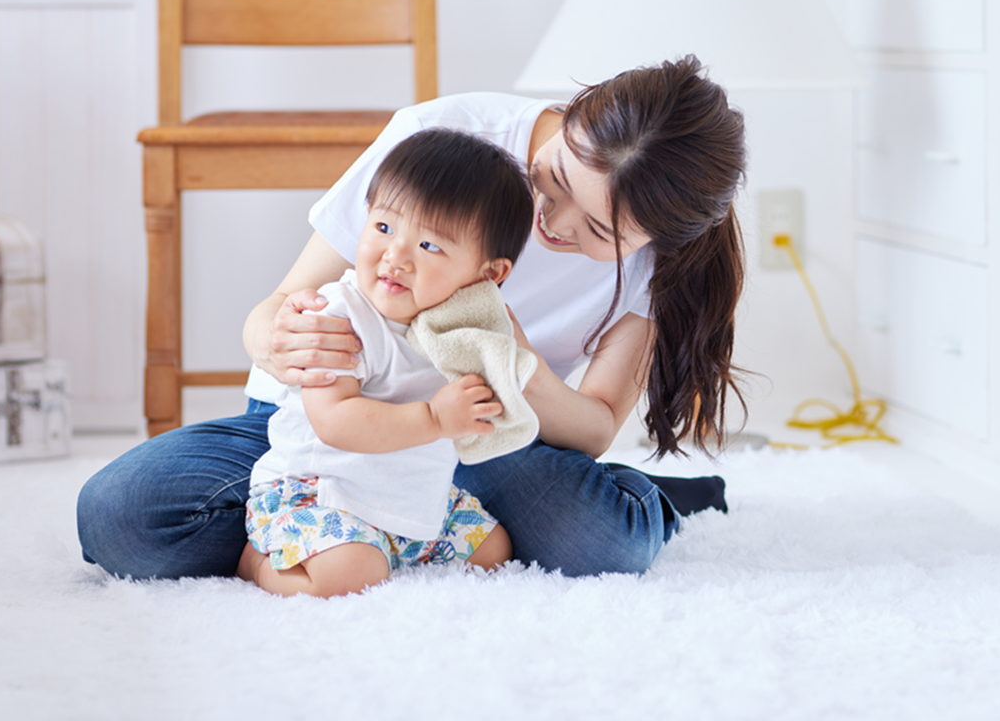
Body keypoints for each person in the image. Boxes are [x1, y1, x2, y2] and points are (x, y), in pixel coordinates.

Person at [77, 54, 743, 580]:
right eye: (556, 177)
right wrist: (278, 340)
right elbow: (278, 306)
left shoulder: (661, 266)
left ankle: (643, 499)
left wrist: (514, 362)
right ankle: (379, 529)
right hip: (326, 429)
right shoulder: (449, 134)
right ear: (572, 114)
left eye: (597, 229)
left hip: (474, 443)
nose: (552, 222)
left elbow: (594, 425)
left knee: (606, 542)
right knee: (120, 518)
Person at [237, 128, 526, 597]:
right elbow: (335, 420)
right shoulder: (339, 315)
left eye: (430, 246)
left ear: (488, 274)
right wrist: (436, 418)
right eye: (384, 228)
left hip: (413, 496)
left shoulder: (463, 330)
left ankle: (392, 545)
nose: (395, 257)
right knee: (352, 576)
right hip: (322, 493)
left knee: (495, 552)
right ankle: (261, 563)